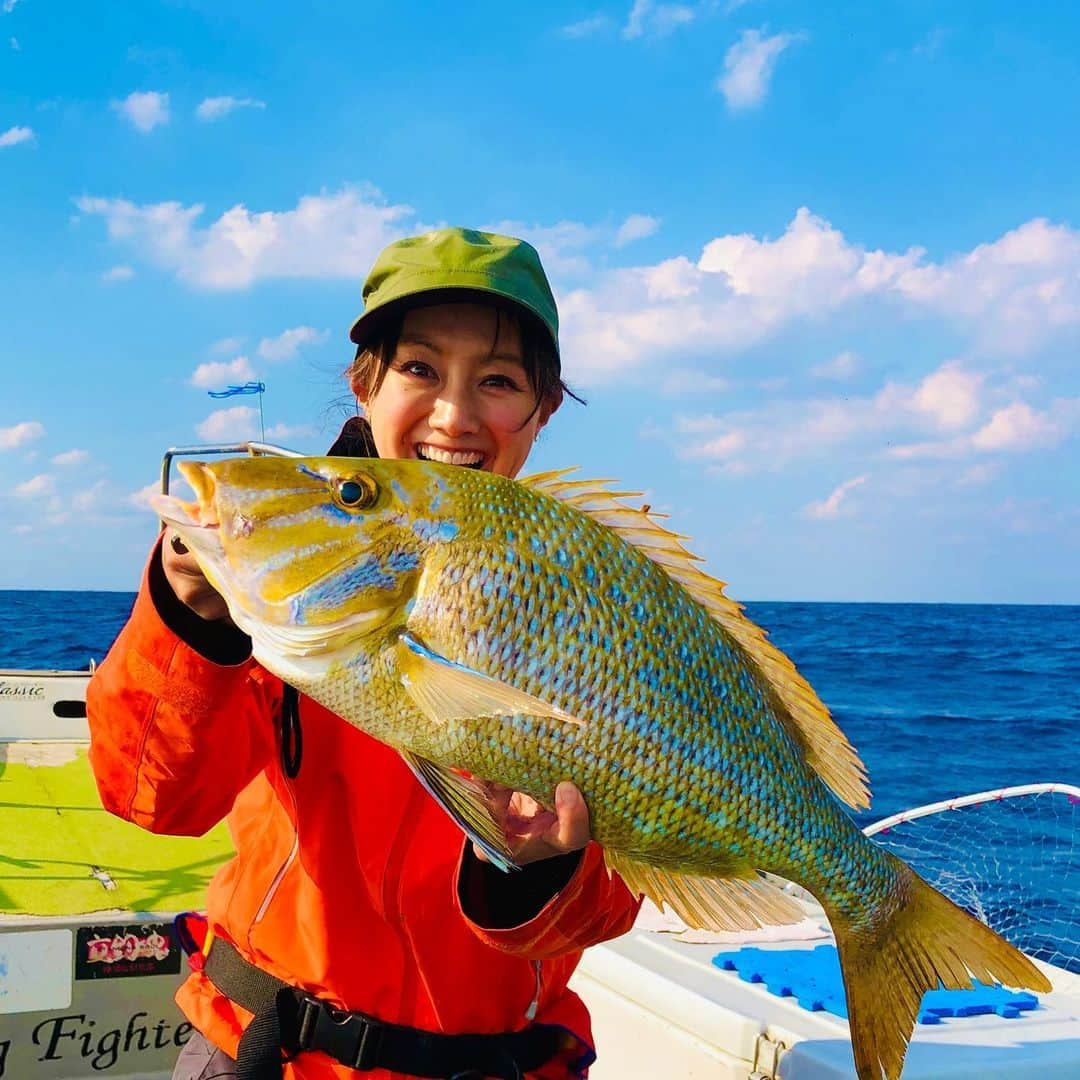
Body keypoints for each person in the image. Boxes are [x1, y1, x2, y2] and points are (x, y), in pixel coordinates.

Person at [87, 227, 641, 1080]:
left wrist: (542, 870)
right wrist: (194, 625)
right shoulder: (287, 566)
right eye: (419, 369)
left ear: (543, 410)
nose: (454, 415)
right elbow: (154, 800)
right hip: (268, 1052)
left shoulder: (589, 599)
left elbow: (611, 902)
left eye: (497, 382)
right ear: (365, 384)